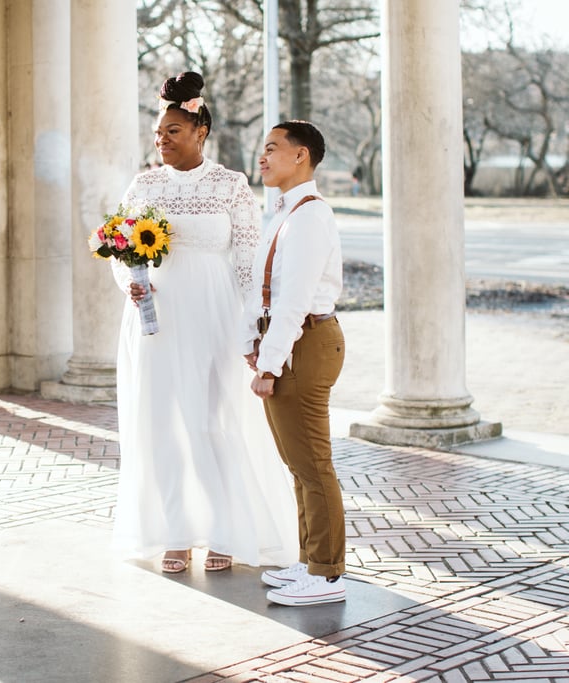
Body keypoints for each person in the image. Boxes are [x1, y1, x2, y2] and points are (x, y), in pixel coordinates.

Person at [111, 72, 299, 574]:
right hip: (157, 317)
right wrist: (130, 282)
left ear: (200, 131)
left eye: (172, 130)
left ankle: (224, 530)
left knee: (214, 421)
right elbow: (119, 249)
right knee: (162, 424)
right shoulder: (144, 185)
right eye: (157, 132)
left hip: (215, 314)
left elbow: (247, 259)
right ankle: (174, 532)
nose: (161, 140)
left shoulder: (231, 185)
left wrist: (250, 323)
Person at [242, 120, 347, 606]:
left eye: (271, 149)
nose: (262, 157)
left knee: (312, 461)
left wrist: (268, 365)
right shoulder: (285, 212)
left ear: (300, 156)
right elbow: (266, 291)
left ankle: (327, 575)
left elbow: (295, 300)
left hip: (306, 342)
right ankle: (310, 562)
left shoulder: (308, 216)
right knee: (298, 462)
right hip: (291, 341)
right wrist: (253, 341)